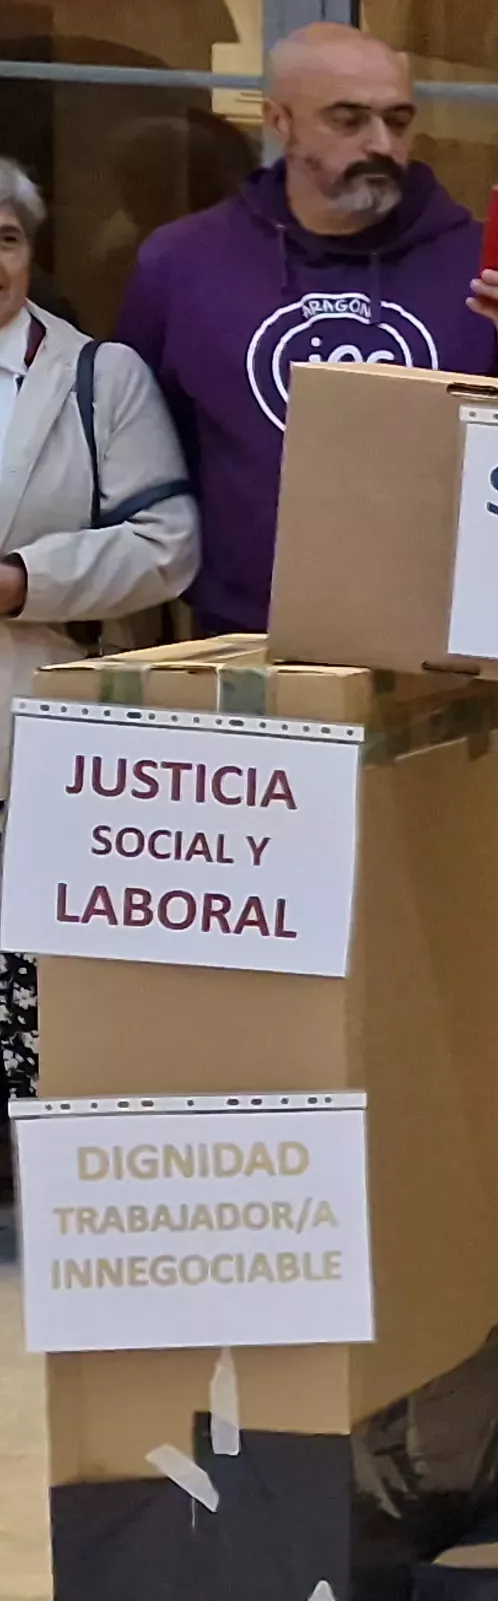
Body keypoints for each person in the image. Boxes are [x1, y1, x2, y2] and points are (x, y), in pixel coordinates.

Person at [117, 21, 498, 633]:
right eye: (349, 120)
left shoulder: (476, 264)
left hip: (440, 634)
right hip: (241, 634)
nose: (381, 143)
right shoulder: (182, 263)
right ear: (280, 121)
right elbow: (138, 460)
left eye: (399, 120)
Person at [0, 157, 200, 1115]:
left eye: (6, 238)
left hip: (44, 721)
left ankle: (29, 1157)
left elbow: (168, 546)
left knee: (40, 976)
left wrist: (23, 583)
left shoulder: (97, 377)